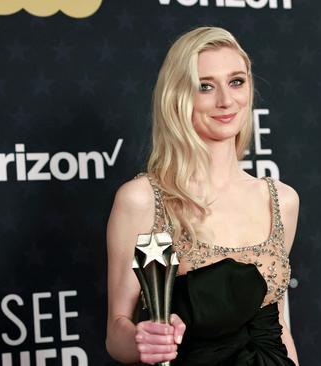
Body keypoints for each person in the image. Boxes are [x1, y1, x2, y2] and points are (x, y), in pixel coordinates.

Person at [106, 26, 299, 365]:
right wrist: (143, 339)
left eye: (236, 81)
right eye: (205, 86)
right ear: (177, 96)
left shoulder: (280, 200)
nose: (226, 100)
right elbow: (116, 334)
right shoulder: (148, 201)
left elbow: (280, 329)